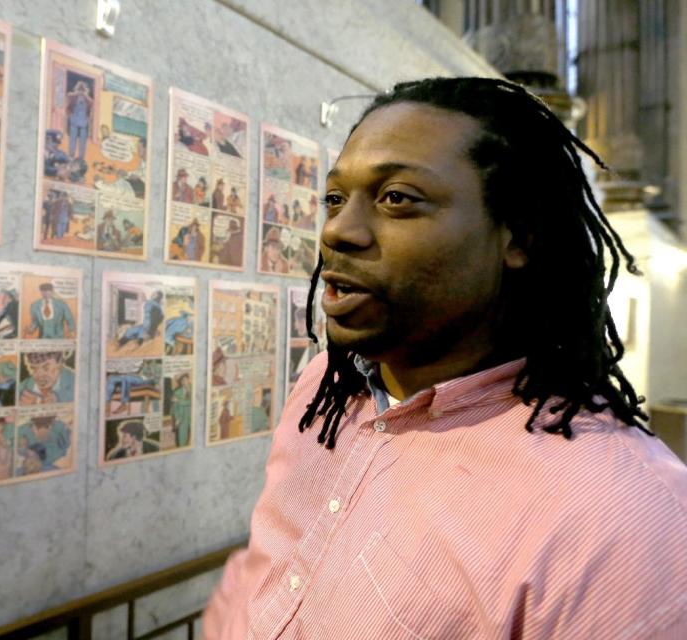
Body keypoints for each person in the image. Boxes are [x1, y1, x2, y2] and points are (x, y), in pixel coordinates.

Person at [203, 78, 687, 638]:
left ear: (519, 237)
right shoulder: (320, 390)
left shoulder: (624, 514)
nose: (338, 230)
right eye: (335, 199)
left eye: (398, 199)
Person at [65, 80, 93, 161]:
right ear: (77, 89)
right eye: (80, 89)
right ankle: (71, 156)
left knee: (82, 141)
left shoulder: (88, 99)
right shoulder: (73, 96)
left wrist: (85, 95)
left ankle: (81, 158)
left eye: (83, 89)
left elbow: (92, 102)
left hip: (83, 122)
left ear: (86, 90)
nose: (81, 91)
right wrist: (77, 93)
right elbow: (68, 95)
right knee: (72, 139)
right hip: (74, 120)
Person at [169, 374, 192, 447]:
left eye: (186, 380)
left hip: (192, 417)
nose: (185, 382)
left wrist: (178, 400)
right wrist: (177, 418)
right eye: (183, 380)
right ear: (181, 382)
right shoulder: (177, 392)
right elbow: (175, 408)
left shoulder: (193, 389)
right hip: (182, 418)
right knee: (182, 441)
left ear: (189, 380)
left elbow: (191, 402)